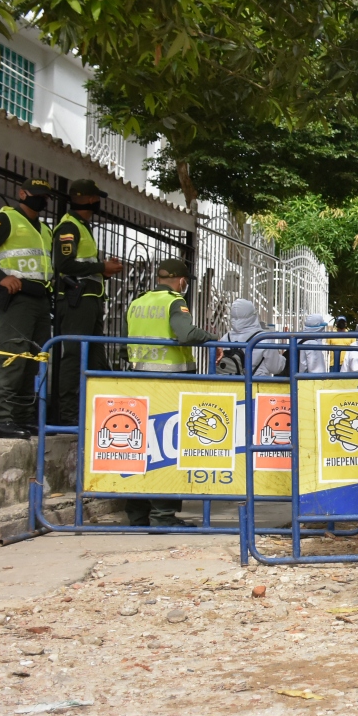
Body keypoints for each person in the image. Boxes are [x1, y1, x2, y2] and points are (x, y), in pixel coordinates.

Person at [125, 258, 216, 528]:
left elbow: (123, 344)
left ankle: (137, 515)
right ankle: (163, 517)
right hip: (169, 385)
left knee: (140, 448)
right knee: (166, 449)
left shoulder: (137, 302)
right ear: (182, 280)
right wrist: (213, 338)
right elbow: (185, 334)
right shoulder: (175, 301)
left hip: (137, 382)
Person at [0, 179, 56, 439]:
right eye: (37, 195)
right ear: (22, 194)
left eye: (45, 197)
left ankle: (22, 418)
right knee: (13, 357)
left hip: (40, 299)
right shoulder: (6, 220)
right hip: (17, 298)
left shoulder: (44, 229)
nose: (42, 200)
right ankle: (1, 419)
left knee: (32, 360)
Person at [52, 179, 124, 426]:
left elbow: (82, 265)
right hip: (76, 300)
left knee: (95, 359)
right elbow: (64, 265)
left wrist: (103, 272)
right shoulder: (68, 227)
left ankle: (95, 413)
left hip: (90, 299)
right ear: (91, 200)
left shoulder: (83, 226)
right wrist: (101, 266)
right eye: (97, 199)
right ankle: (69, 415)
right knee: (74, 355)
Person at [220, 298, 286, 377]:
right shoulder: (263, 339)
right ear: (253, 316)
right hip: (258, 384)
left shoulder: (225, 338)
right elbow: (276, 368)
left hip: (231, 385)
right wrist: (283, 359)